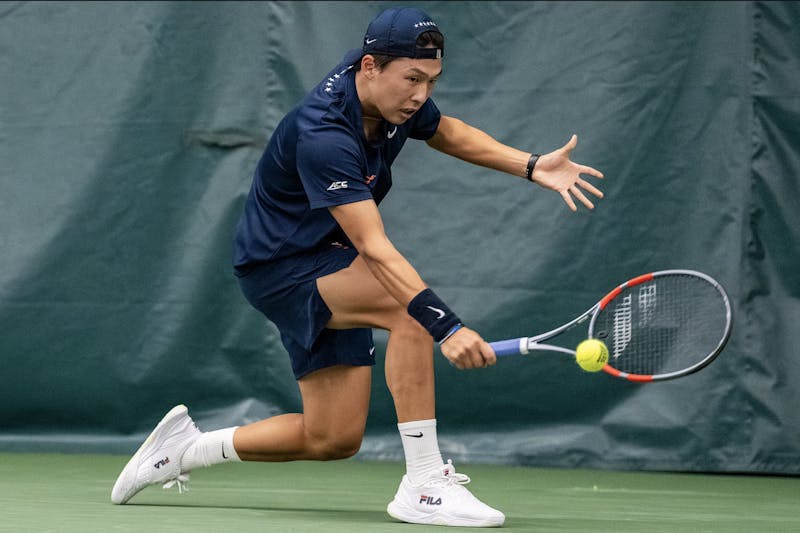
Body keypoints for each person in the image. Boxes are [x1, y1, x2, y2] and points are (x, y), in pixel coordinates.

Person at [111, 6, 604, 528]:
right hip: (280, 267)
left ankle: (183, 450)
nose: (421, 95)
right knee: (410, 311)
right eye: (412, 80)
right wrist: (448, 328)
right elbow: (374, 246)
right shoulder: (324, 134)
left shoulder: (390, 92)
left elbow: (445, 131)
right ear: (370, 67)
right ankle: (425, 484)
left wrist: (530, 165)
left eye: (432, 81)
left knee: (331, 437)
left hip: (328, 257)